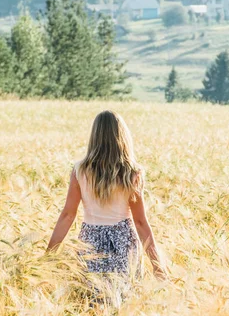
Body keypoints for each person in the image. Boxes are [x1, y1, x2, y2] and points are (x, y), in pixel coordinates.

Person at [46, 110, 165, 282]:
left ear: (94, 136)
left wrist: (49, 255)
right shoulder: (132, 173)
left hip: (90, 242)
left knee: (90, 299)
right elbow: (140, 222)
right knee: (124, 299)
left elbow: (68, 215)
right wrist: (157, 265)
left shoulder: (80, 170)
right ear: (122, 136)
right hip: (123, 242)